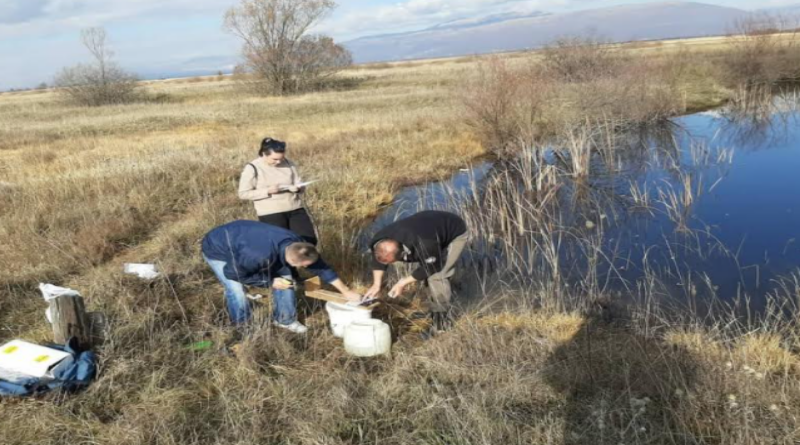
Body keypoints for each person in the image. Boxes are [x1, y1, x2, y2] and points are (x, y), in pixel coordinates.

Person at [202, 220, 361, 333]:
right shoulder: (257, 256)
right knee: (235, 289)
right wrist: (270, 281)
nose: (306, 268)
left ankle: (284, 320)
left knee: (286, 281)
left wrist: (345, 291)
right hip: (218, 248)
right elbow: (233, 273)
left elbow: (321, 267)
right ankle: (243, 326)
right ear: (294, 261)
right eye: (304, 266)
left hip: (246, 238)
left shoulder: (298, 245)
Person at [364, 211, 469, 333]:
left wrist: (403, 282)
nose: (388, 264)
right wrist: (376, 284)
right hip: (427, 226)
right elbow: (379, 261)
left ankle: (442, 319)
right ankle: (432, 308)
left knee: (437, 276)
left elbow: (432, 267)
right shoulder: (379, 241)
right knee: (427, 273)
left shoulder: (424, 243)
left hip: (454, 230)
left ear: (402, 253)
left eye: (391, 261)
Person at [238, 137, 318, 245]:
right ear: (264, 154)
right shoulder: (252, 168)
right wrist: (267, 191)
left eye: (281, 158)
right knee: (281, 245)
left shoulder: (289, 163)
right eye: (274, 159)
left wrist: (298, 188)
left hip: (295, 209)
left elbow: (298, 182)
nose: (279, 161)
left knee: (308, 242)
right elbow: (243, 193)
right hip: (271, 213)